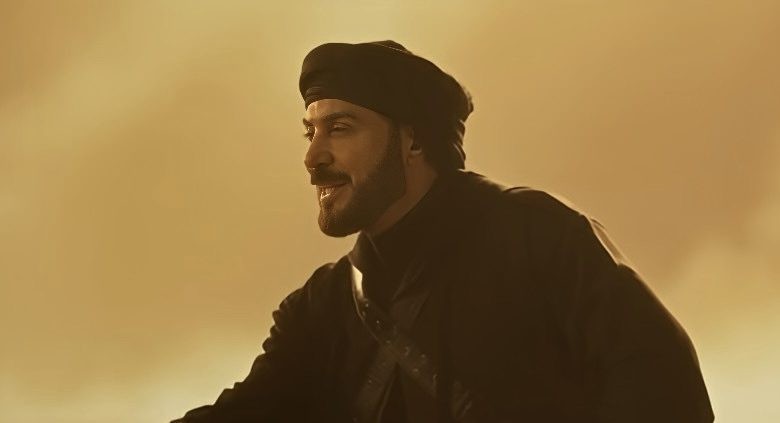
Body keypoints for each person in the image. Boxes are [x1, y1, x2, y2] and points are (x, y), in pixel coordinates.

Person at [172, 40, 714, 423]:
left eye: (340, 128)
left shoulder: (535, 237)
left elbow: (663, 387)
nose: (314, 157)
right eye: (310, 132)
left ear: (412, 141)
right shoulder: (321, 310)